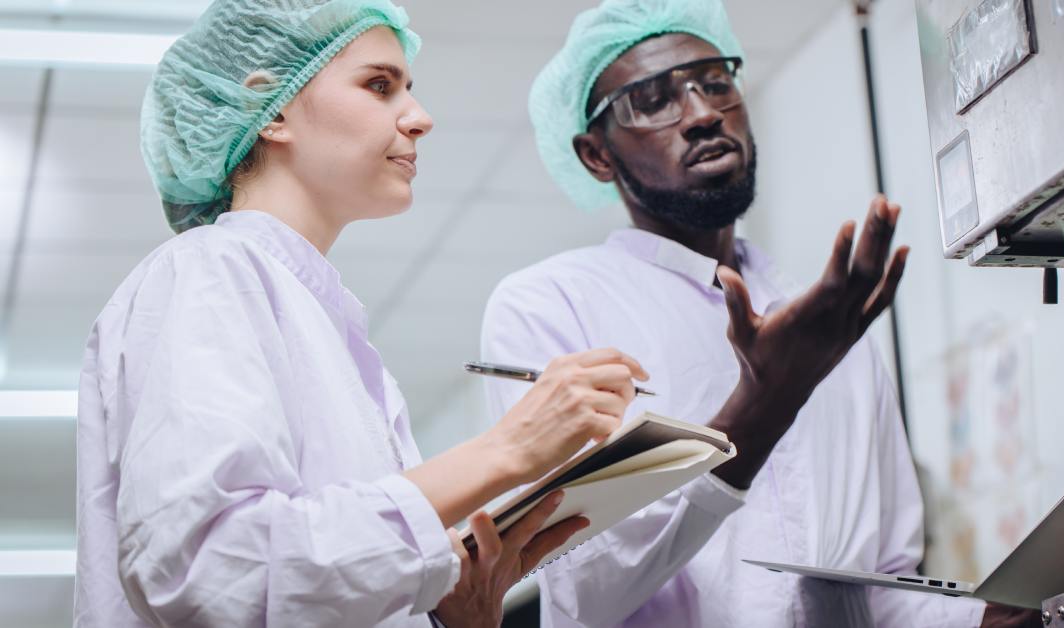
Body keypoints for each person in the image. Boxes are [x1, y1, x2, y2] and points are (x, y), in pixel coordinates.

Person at [73, 1, 648, 626]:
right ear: (273, 108)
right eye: (380, 85)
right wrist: (508, 450)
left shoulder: (330, 329)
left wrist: (457, 614)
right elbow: (210, 573)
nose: (421, 119)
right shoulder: (208, 272)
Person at [480, 0, 1040, 626]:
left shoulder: (826, 321)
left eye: (716, 82)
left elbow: (880, 583)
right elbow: (585, 583)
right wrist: (761, 408)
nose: (701, 113)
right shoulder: (551, 307)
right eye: (652, 99)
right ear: (596, 155)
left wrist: (996, 619)